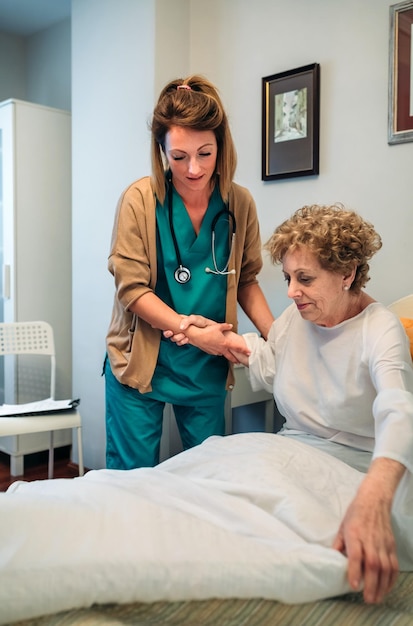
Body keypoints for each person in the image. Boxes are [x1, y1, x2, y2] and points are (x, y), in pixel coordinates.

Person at [171, 204, 413, 605]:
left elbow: (398, 410)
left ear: (346, 274)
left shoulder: (380, 330)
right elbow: (273, 364)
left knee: (260, 520)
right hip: (290, 448)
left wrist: (373, 498)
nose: (290, 292)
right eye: (287, 277)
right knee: (198, 480)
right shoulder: (297, 318)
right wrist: (222, 341)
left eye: (304, 278)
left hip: (357, 466)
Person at [104, 74, 274, 470]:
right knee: (131, 483)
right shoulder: (140, 200)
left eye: (205, 153)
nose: (193, 168)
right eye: (178, 157)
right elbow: (132, 289)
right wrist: (193, 331)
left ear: (221, 146)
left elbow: (246, 278)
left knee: (208, 480)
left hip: (207, 364)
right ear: (161, 151)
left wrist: (279, 336)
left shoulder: (239, 203)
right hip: (143, 358)